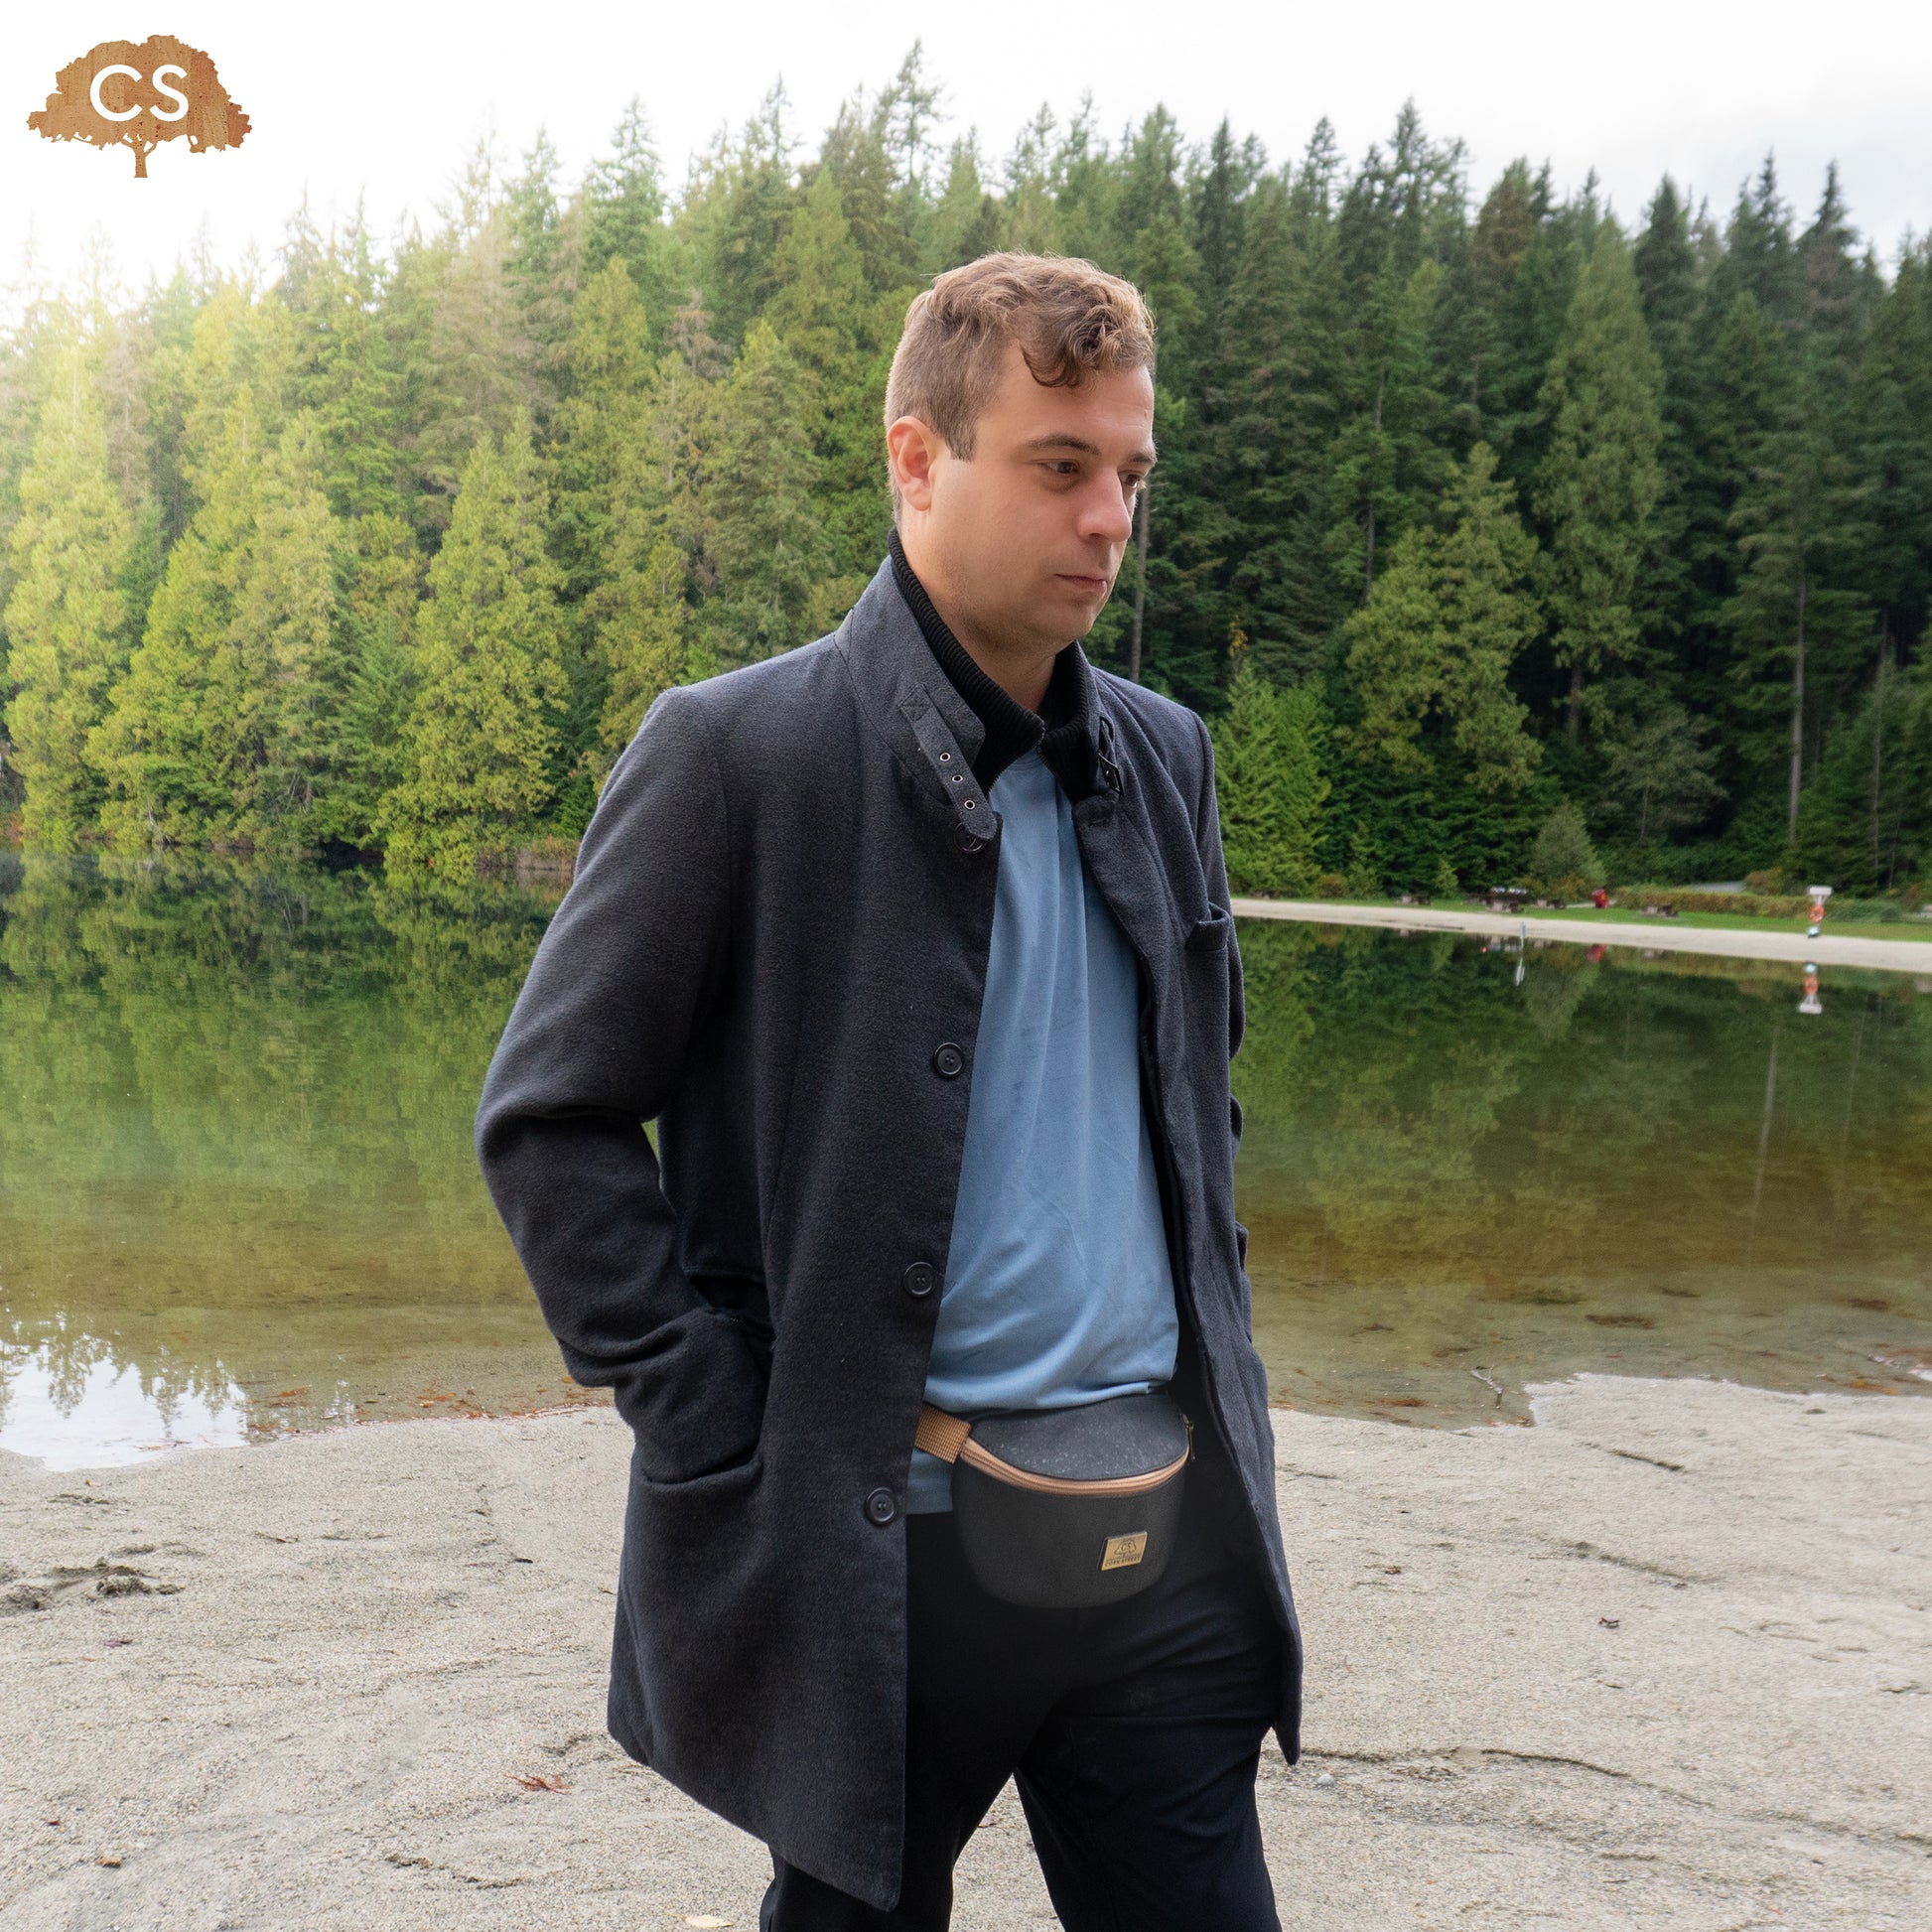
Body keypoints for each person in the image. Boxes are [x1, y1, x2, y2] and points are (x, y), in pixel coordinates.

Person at [477, 252, 1302, 1930]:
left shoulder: (1168, 759)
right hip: (877, 1555)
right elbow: (551, 1119)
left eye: (1129, 473)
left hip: (1161, 1546)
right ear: (916, 460)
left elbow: (1192, 1102)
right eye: (1058, 466)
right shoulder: (735, 754)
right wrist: (720, 1417)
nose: (1107, 520)